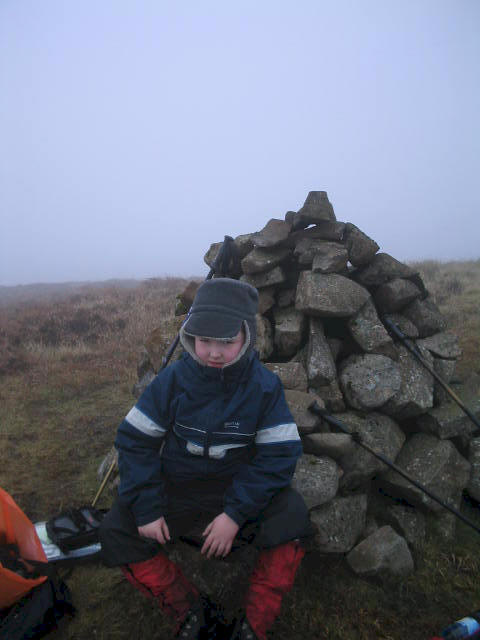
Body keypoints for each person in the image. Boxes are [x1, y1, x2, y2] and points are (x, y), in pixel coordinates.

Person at [99, 277, 313, 640]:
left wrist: (234, 514)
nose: (213, 352)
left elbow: (280, 456)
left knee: (293, 515)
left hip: (236, 496)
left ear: (247, 337)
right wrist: (148, 509)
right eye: (204, 340)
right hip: (178, 491)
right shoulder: (170, 381)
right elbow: (135, 443)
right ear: (190, 337)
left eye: (226, 341)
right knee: (116, 528)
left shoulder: (264, 388)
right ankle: (189, 610)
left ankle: (253, 627)